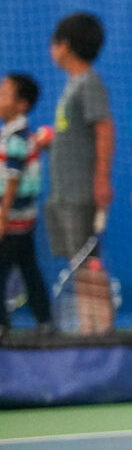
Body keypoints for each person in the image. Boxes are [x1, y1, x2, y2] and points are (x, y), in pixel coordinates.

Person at [45, 12, 115, 331]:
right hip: (63, 191)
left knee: (88, 263)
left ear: (65, 46)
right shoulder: (73, 85)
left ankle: (100, 330)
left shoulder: (89, 82)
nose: (52, 50)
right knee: (79, 262)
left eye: (54, 43)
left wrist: (101, 177)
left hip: (80, 191)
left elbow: (104, 128)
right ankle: (91, 329)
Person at [1, 73, 53, 337]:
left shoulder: (18, 135)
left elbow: (13, 178)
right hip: (22, 220)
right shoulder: (14, 133)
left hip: (13, 221)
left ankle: (3, 325)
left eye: (5, 92)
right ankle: (45, 321)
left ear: (22, 104)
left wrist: (2, 215)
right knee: (29, 269)